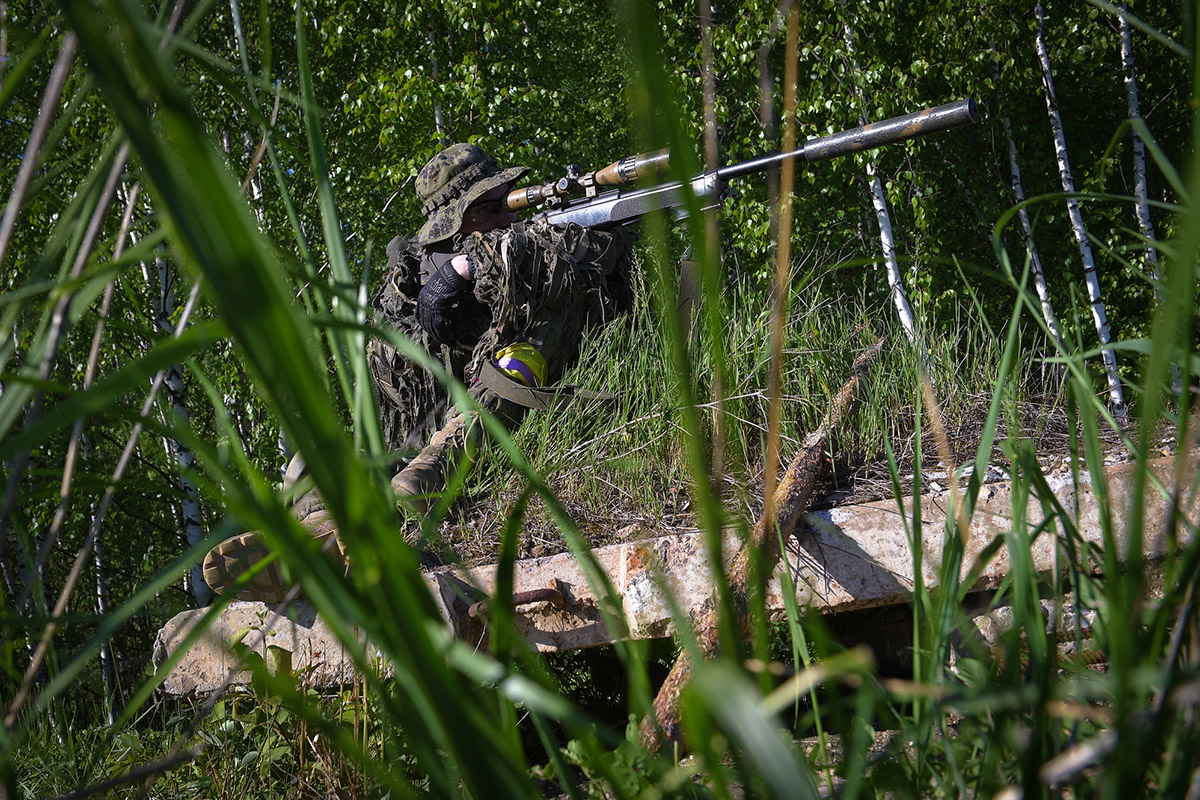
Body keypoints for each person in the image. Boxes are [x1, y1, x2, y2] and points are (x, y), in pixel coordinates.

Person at [202, 142, 634, 603]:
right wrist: (456, 276)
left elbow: (573, 264)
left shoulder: (535, 256)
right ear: (452, 228)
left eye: (507, 202)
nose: (507, 220)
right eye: (488, 210)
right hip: (409, 446)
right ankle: (316, 542)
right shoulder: (408, 285)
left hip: (488, 434)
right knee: (309, 464)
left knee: (504, 371)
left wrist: (474, 267)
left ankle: (337, 541)